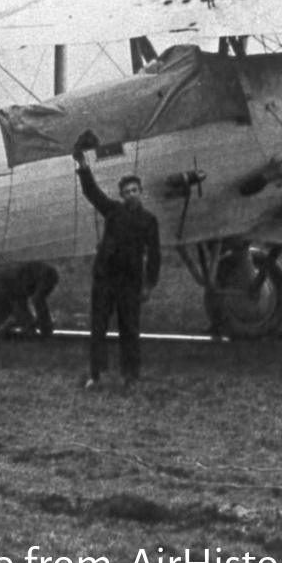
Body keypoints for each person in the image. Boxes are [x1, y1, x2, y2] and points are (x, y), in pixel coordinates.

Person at [74, 132, 160, 388]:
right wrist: (81, 163)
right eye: (127, 191)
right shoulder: (113, 211)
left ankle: (130, 375)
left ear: (141, 192)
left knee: (130, 329)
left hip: (130, 282)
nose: (132, 194)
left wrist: (149, 285)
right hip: (105, 278)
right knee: (98, 327)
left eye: (135, 190)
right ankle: (95, 375)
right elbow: (92, 192)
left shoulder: (149, 221)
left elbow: (155, 254)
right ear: (122, 195)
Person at [0, 261, 60, 339]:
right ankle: (42, 327)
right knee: (36, 299)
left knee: (37, 298)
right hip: (42, 275)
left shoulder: (7, 282)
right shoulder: (9, 284)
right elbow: (19, 306)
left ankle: (45, 328)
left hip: (45, 274)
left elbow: (14, 306)